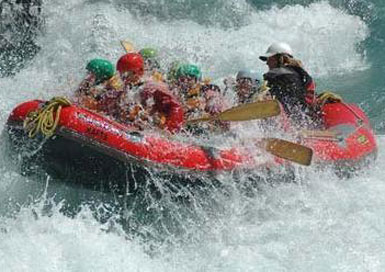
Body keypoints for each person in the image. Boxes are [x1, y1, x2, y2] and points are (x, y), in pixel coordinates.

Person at [259, 42, 318, 125]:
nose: (267, 63)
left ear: (279, 59)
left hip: (290, 122)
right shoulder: (300, 73)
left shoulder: (278, 75)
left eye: (269, 59)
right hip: (304, 119)